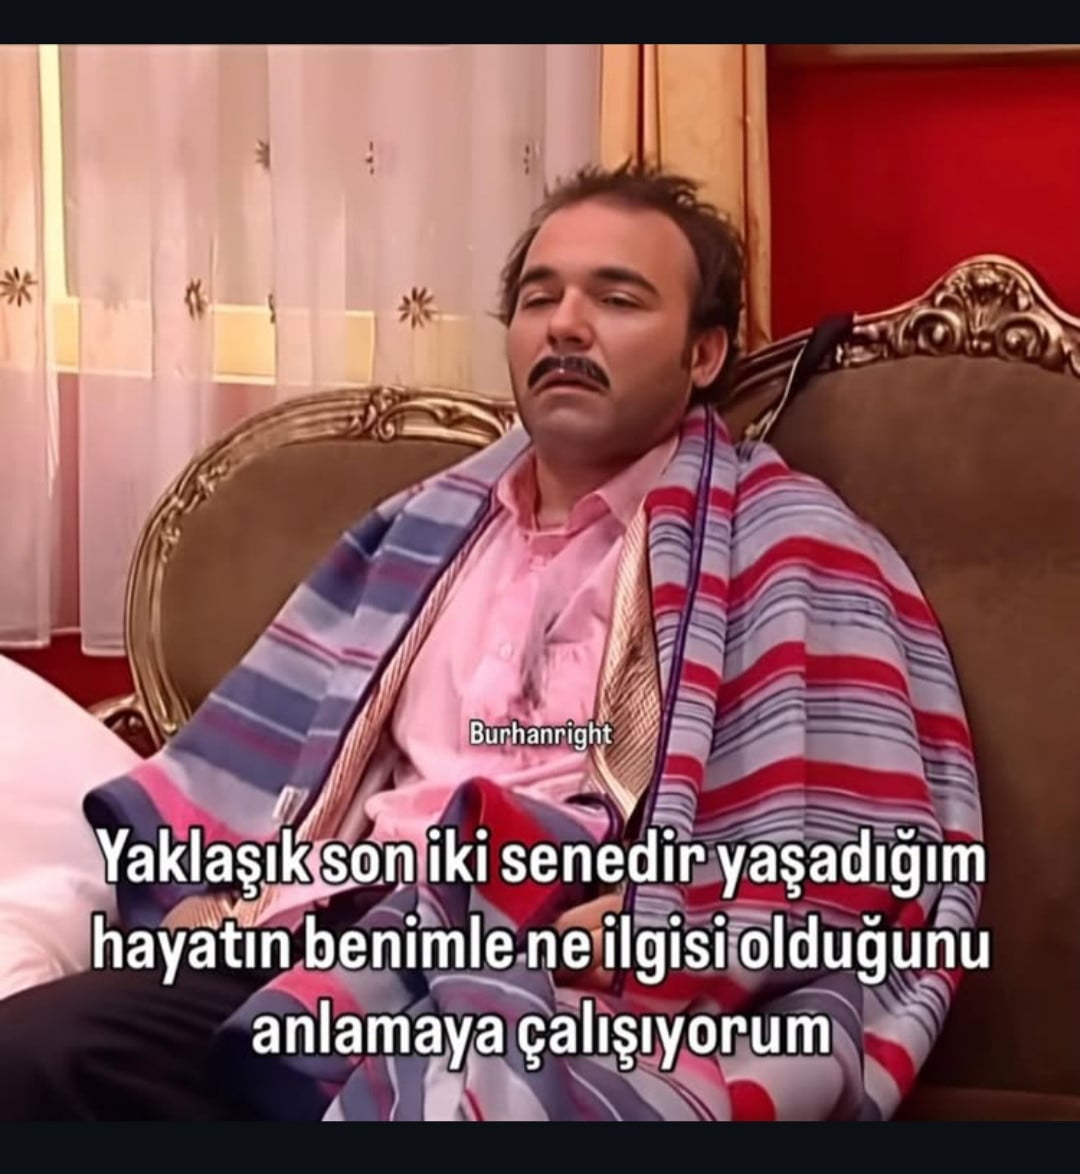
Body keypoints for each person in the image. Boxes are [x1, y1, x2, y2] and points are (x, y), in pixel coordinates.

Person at [0, 162, 983, 1122]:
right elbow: (268, 769)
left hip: (563, 952)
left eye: (618, 299)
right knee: (39, 1055)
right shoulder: (420, 530)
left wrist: (653, 917)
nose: (566, 324)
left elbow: (851, 849)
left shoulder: (786, 541)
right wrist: (217, 886)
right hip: (334, 929)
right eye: (539, 298)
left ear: (704, 353)